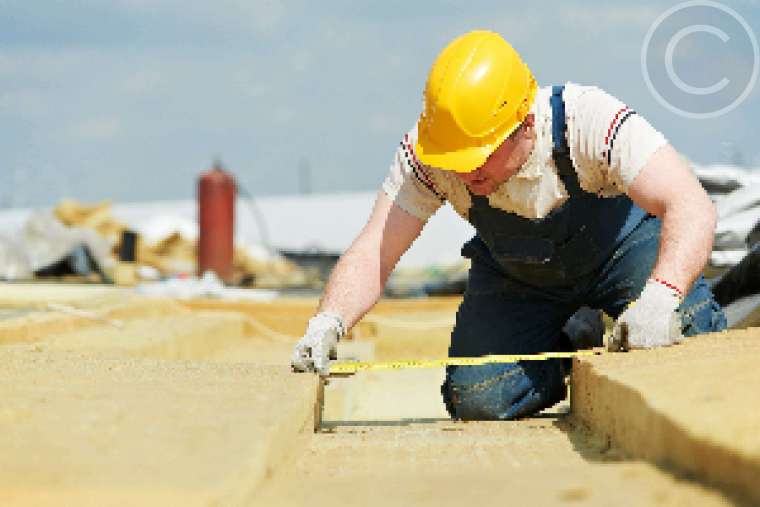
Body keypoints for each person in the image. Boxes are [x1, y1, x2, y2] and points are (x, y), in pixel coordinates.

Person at [291, 30, 727, 420]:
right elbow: (374, 250)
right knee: (479, 397)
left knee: (688, 330)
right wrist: (328, 321)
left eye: (480, 156)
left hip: (621, 251)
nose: (467, 173)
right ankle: (578, 336)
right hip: (522, 279)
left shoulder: (589, 121)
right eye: (456, 161)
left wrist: (659, 299)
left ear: (526, 123)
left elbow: (691, 205)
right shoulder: (430, 154)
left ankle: (626, 310)